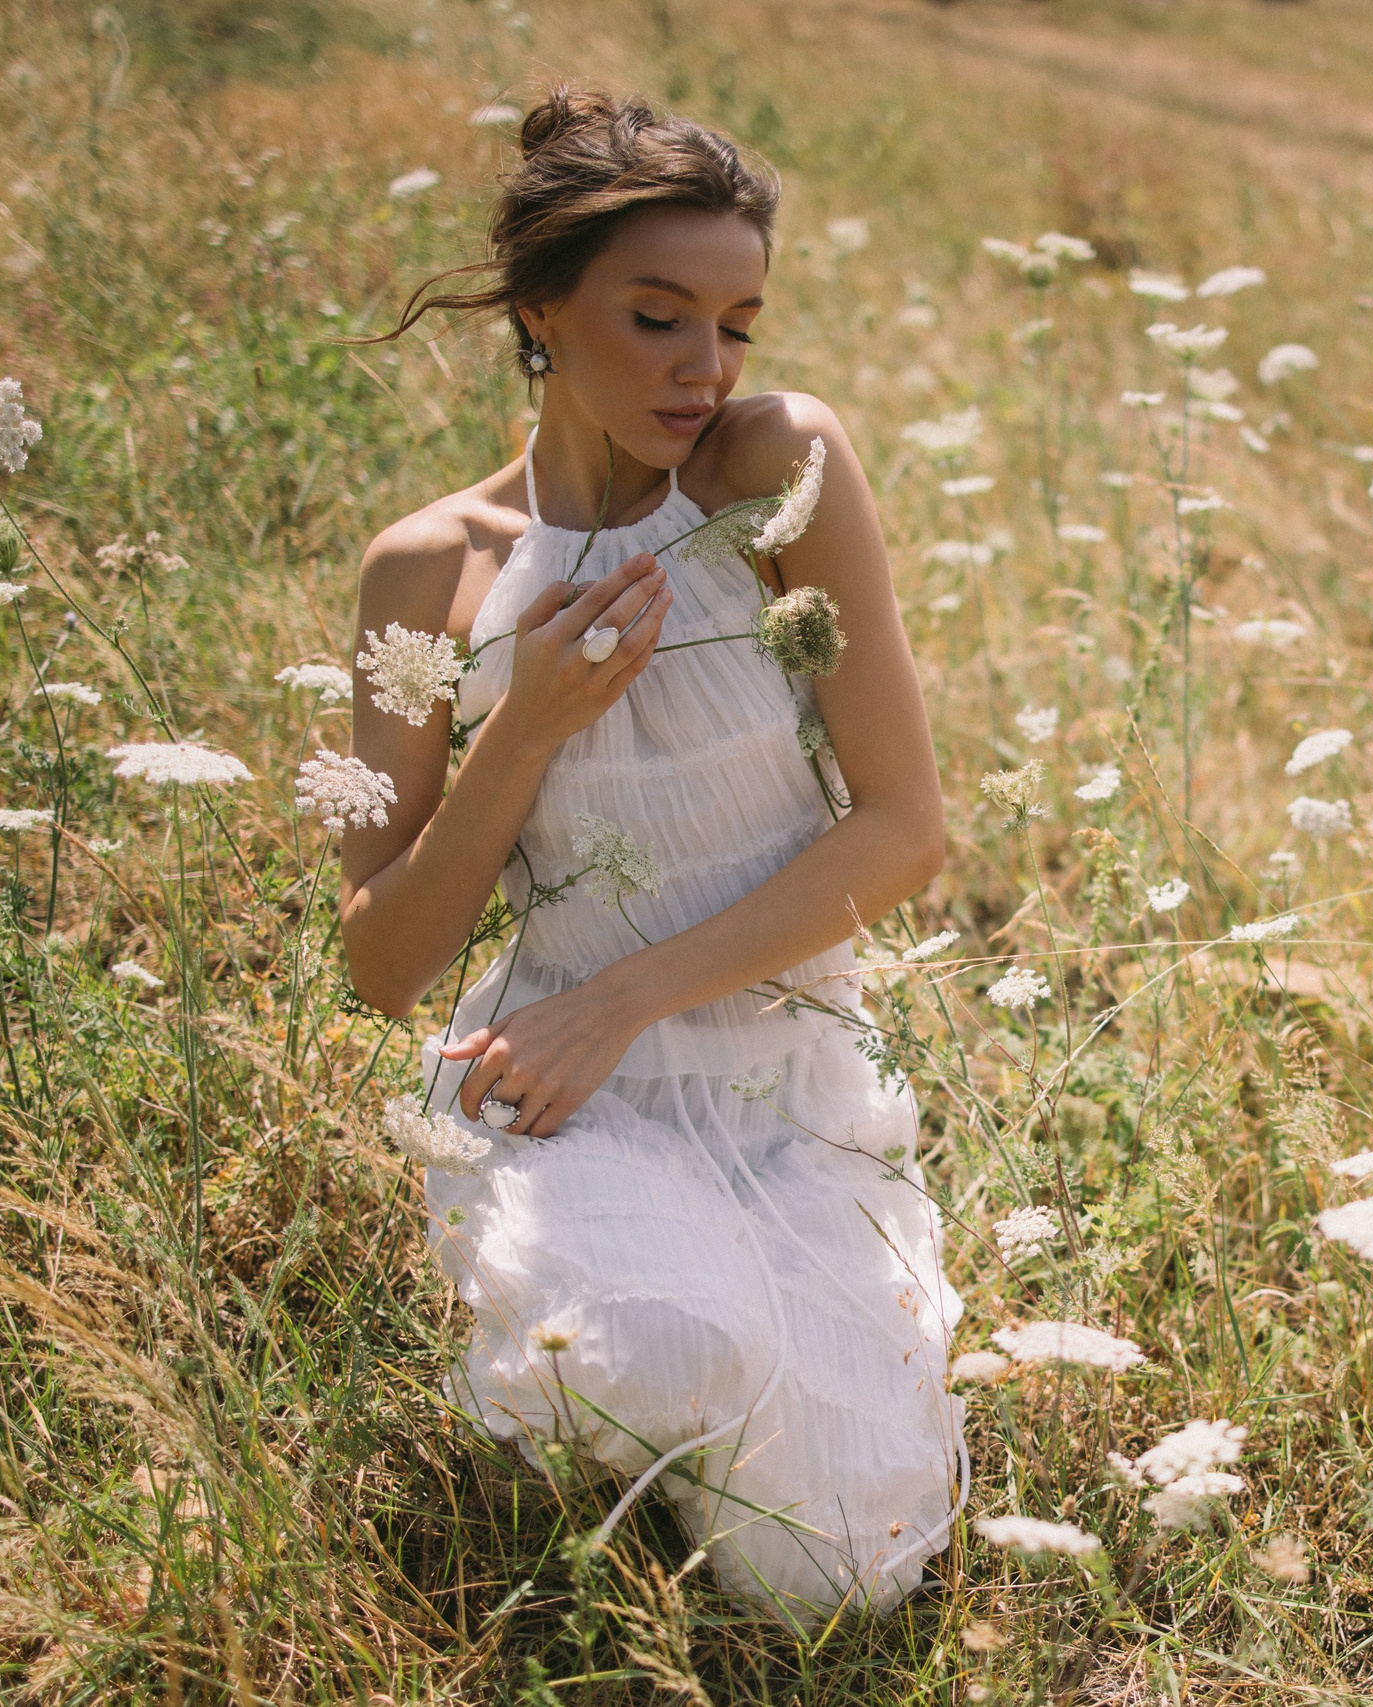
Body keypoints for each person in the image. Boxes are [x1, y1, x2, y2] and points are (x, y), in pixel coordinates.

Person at [336, 86, 959, 1628]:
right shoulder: (431, 570)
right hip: (565, 1099)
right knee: (655, 1355)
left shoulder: (774, 478)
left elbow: (903, 828)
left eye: (738, 323)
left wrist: (622, 999)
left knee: (833, 1588)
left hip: (778, 1082)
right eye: (660, 317)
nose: (707, 368)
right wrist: (521, 726)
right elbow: (380, 958)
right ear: (542, 308)